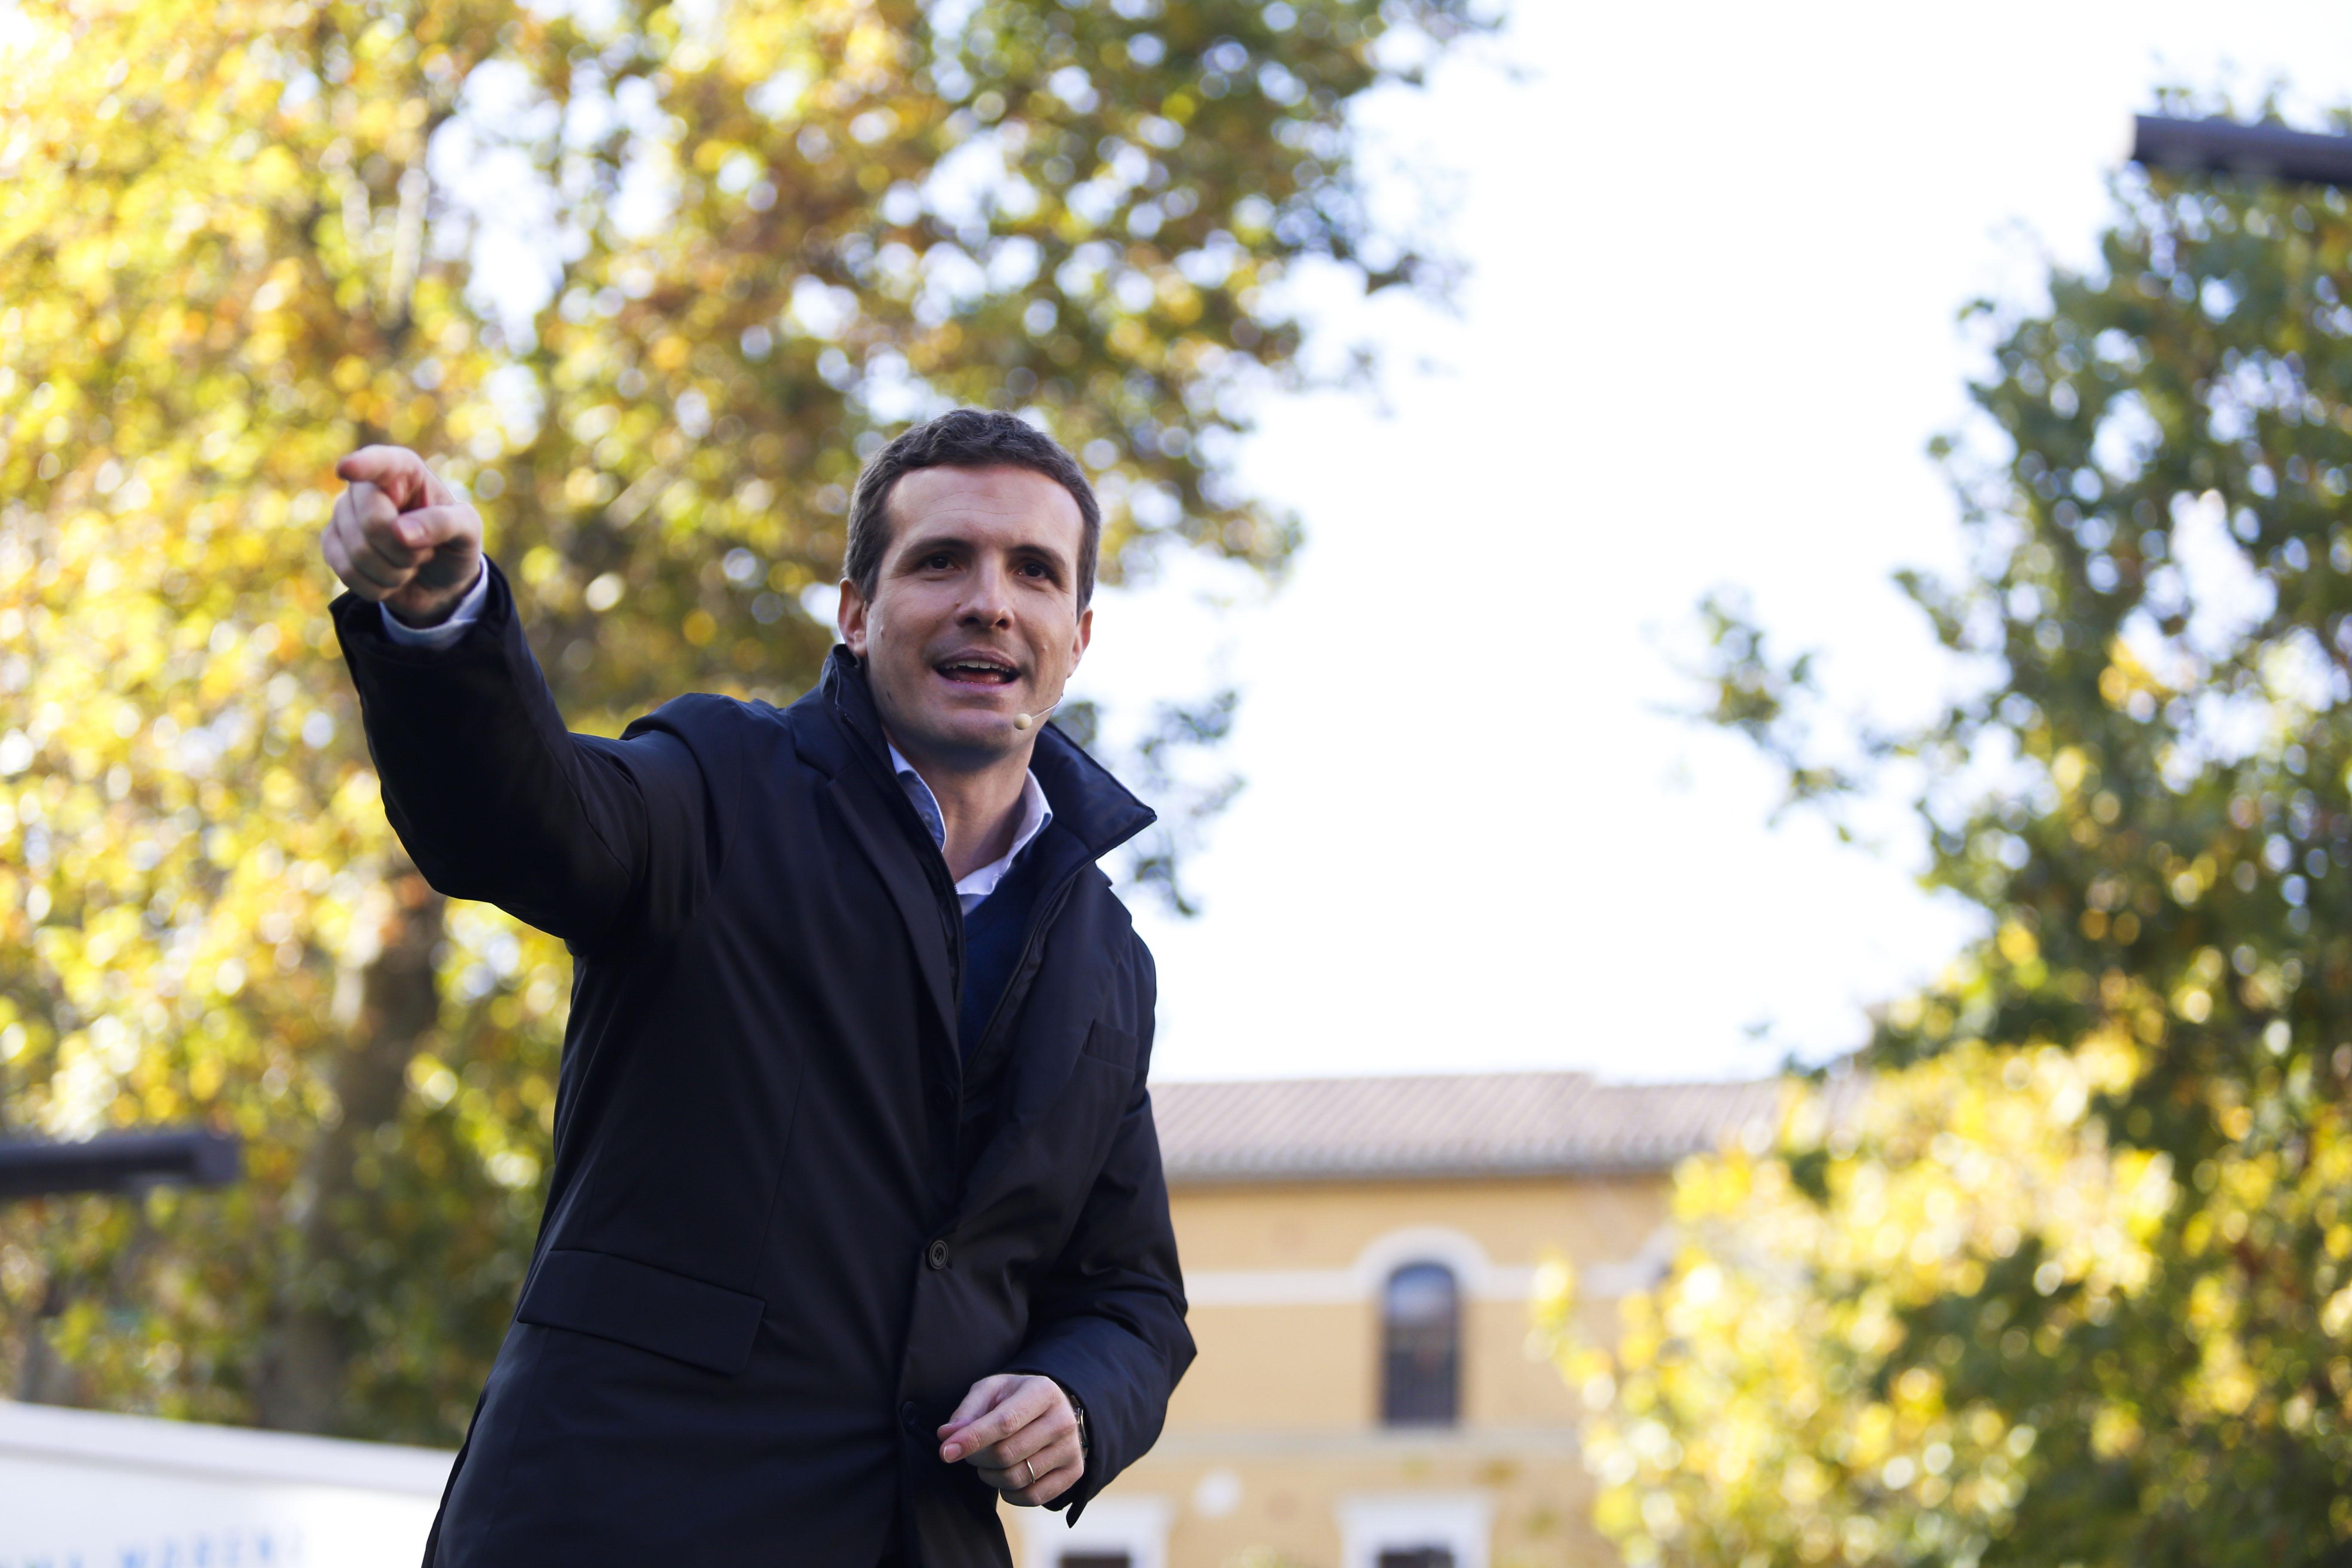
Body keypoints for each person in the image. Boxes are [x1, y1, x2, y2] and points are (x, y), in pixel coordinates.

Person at [320, 408, 1194, 1567]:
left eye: (1033, 572)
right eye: (941, 561)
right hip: (618, 1524)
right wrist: (440, 620)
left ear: (1075, 636)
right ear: (853, 612)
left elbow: (1130, 1297)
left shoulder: (1106, 958)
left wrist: (1078, 1398)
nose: (991, 599)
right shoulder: (718, 787)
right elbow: (515, 817)